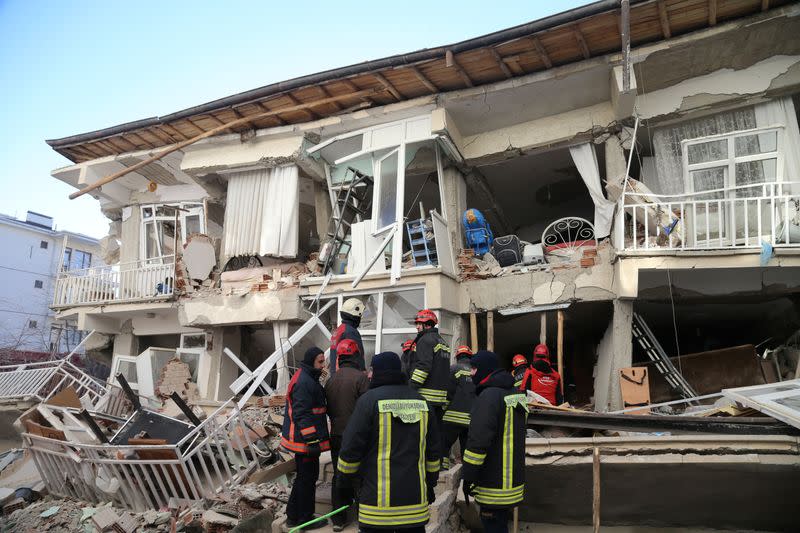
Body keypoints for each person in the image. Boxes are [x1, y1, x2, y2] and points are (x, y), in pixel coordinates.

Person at [337, 352, 441, 533]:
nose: (368, 375)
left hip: (377, 509)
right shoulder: (422, 403)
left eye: (371, 370)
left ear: (377, 372)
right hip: (414, 507)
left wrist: (344, 484)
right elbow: (433, 453)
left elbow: (350, 449)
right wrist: (430, 484)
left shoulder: (368, 402)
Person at [462, 350, 528, 533]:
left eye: (474, 368)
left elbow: (478, 443)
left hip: (493, 484)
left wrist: (468, 476)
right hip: (512, 481)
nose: (470, 373)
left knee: (493, 527)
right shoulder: (514, 393)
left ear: (484, 369)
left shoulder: (488, 397)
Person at [281, 347, 330, 530]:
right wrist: (312, 441)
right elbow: (302, 414)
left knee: (303, 478)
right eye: (320, 362)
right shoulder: (304, 382)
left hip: (304, 440)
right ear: (311, 362)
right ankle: (305, 519)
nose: (323, 365)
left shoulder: (307, 377)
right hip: (305, 442)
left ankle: (293, 515)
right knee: (308, 480)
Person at [324, 339, 370, 531]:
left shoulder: (331, 380)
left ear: (340, 358)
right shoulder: (361, 378)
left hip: (336, 435)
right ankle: (362, 519)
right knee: (359, 476)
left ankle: (338, 520)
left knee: (339, 475)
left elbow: (328, 409)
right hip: (357, 437)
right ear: (356, 356)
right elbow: (367, 408)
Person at [407, 309, 450, 469]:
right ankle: (437, 464)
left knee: (422, 433)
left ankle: (422, 464)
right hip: (439, 399)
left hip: (425, 396)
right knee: (436, 433)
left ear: (428, 325)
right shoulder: (442, 342)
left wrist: (410, 389)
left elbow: (423, 367)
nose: (417, 327)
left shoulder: (425, 341)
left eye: (419, 324)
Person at [441, 345, 475, 469]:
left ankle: (443, 470)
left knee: (443, 445)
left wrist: (442, 410)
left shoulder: (453, 369)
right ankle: (466, 475)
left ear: (457, 357)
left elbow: (448, 392)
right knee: (467, 449)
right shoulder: (476, 371)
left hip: (452, 418)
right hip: (471, 419)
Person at [330, 298, 366, 373]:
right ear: (355, 316)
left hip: (337, 376)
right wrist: (363, 371)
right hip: (350, 376)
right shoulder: (350, 332)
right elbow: (357, 355)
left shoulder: (339, 330)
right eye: (359, 316)